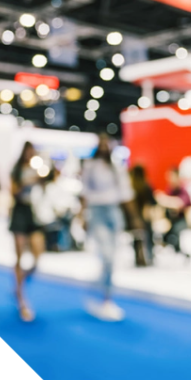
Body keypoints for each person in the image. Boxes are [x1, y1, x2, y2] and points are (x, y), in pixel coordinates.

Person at [78, 133, 133, 321]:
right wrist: (83, 216)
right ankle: (105, 297)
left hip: (113, 212)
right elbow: (85, 192)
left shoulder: (116, 167)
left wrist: (133, 217)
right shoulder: (90, 166)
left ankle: (103, 293)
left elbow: (125, 193)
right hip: (97, 212)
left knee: (112, 258)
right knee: (107, 257)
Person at [9, 142, 46, 323]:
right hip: (20, 212)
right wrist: (26, 182)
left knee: (38, 254)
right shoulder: (17, 171)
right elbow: (13, 191)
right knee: (20, 256)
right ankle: (21, 298)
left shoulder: (38, 168)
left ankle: (21, 280)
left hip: (34, 211)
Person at [156, 168, 191, 258]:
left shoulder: (183, 190)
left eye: (171, 177)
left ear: (177, 177)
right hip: (171, 221)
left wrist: (165, 200)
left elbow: (179, 204)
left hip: (181, 221)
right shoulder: (170, 190)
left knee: (177, 234)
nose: (170, 180)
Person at [128, 165, 156, 266]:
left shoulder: (130, 186)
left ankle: (138, 257)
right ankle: (149, 257)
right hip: (143, 217)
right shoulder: (145, 186)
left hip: (131, 218)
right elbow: (152, 202)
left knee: (136, 238)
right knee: (148, 236)